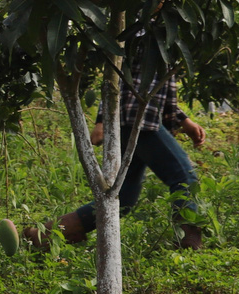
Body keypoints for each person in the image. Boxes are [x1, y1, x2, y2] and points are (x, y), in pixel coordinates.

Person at [27, 58, 209, 250]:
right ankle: (188, 244)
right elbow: (115, 77)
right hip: (139, 120)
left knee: (123, 197)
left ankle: (43, 235)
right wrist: (101, 120)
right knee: (184, 178)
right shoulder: (143, 31)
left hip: (135, 119)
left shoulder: (162, 34)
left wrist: (183, 120)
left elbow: (156, 89)